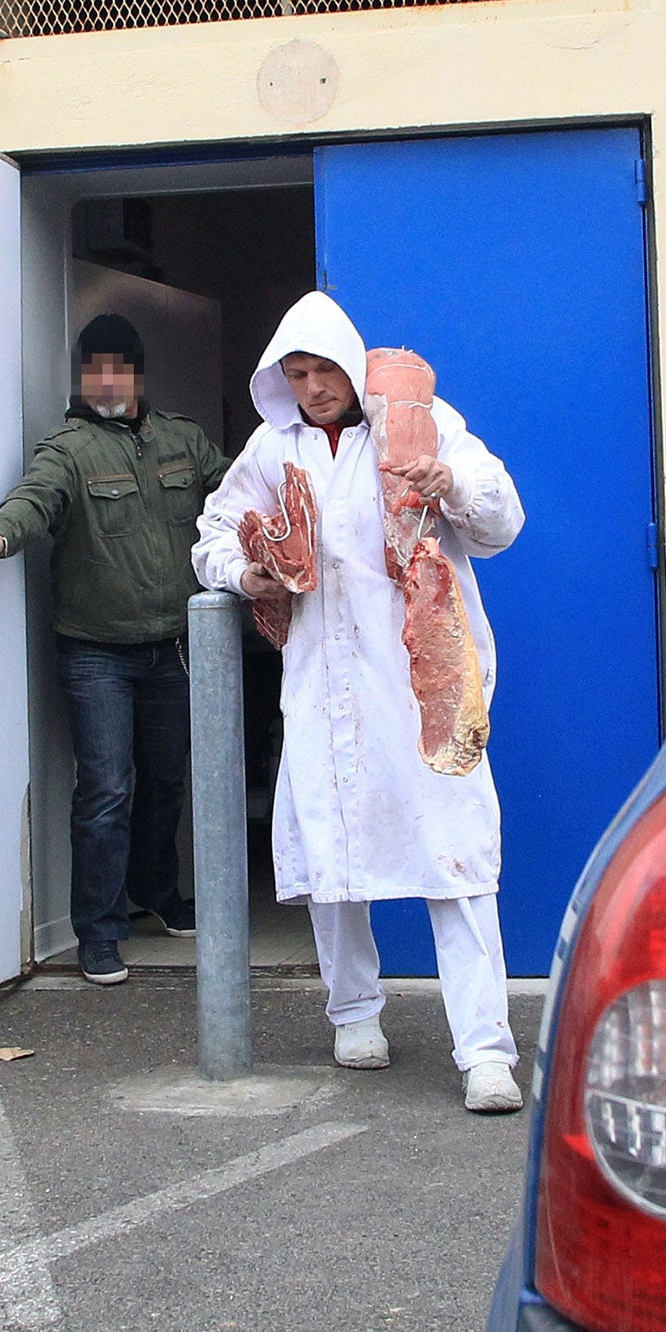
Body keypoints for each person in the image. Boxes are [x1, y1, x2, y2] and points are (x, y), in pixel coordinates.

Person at [192, 292, 528, 1114]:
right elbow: (212, 535)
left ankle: (485, 1051)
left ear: (351, 363)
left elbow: (502, 519)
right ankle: (353, 1013)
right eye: (296, 374)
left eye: (323, 370)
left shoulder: (421, 420)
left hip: (424, 681)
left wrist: (447, 483)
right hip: (324, 679)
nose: (312, 388)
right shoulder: (273, 449)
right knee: (333, 850)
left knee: (456, 853)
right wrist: (249, 572)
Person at [0, 313, 229, 986]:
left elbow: (240, 494)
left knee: (168, 781)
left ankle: (159, 893)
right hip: (96, 652)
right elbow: (32, 500)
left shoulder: (184, 440)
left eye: (117, 367)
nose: (105, 380)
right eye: (93, 368)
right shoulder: (68, 448)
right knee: (106, 790)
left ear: (136, 372)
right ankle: (98, 933)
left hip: (176, 646)